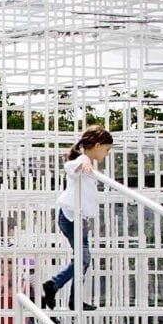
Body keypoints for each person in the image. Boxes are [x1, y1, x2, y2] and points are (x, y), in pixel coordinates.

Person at [41, 126, 114, 311]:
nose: (106, 154)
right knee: (83, 259)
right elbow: (70, 167)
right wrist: (81, 165)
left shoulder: (86, 162)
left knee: (83, 259)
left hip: (77, 218)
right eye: (106, 150)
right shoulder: (83, 160)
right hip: (71, 217)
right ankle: (55, 285)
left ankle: (72, 298)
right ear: (97, 146)